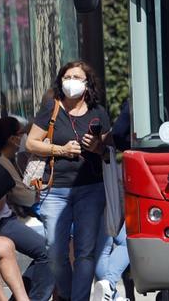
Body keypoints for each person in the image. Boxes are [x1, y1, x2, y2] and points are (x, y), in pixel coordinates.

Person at [24, 61, 110, 301]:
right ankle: (69, 295)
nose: (71, 81)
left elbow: (110, 152)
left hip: (91, 189)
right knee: (54, 251)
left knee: (85, 252)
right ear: (61, 81)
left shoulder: (98, 112)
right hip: (55, 189)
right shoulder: (52, 108)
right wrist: (60, 150)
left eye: (77, 77)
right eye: (67, 76)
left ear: (87, 83)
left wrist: (98, 147)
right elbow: (31, 143)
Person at [0, 116, 52, 301]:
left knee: (49, 252)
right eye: (21, 134)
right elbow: (1, 204)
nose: (24, 138)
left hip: (3, 220)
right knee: (49, 252)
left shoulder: (1, 162)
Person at [94, 100, 132, 301]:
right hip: (101, 188)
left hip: (97, 188)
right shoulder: (135, 103)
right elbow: (118, 136)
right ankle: (110, 286)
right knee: (118, 242)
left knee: (111, 243)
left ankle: (111, 292)